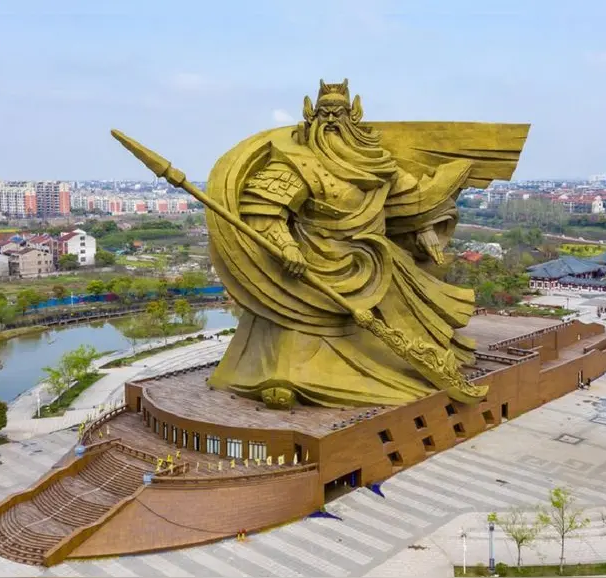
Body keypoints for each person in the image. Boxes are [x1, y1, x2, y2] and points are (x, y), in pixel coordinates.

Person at [206, 79, 527, 408]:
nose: (331, 121)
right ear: (311, 116)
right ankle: (286, 375)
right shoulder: (297, 162)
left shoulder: (374, 162)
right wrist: (285, 245)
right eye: (324, 114)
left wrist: (423, 229)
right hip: (313, 266)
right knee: (294, 324)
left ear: (353, 117)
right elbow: (264, 210)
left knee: (407, 306)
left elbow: (408, 201)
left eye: (338, 113)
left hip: (372, 263)